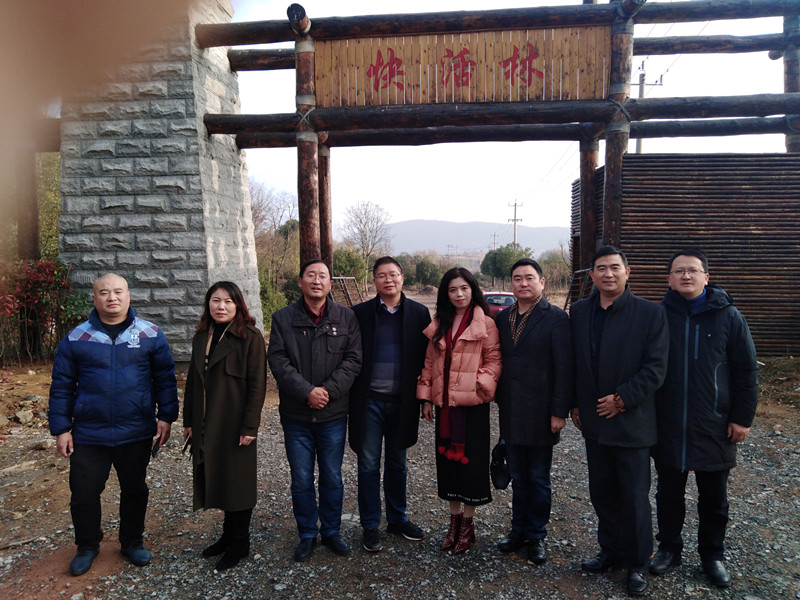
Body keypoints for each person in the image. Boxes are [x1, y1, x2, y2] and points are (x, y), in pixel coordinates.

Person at [48, 273, 178, 576]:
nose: (112, 298)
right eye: (104, 292)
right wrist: (61, 429)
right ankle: (87, 546)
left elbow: (165, 379)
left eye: (118, 291)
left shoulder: (150, 334)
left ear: (128, 295)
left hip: (135, 430)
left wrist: (166, 416)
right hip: (88, 434)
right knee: (83, 493)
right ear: (94, 298)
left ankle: (132, 542)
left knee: (135, 489)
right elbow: (62, 386)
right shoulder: (76, 337)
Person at [650, 249, 759, 588]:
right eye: (679, 271)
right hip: (668, 423)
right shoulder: (658, 316)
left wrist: (742, 418)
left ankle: (712, 555)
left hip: (714, 423)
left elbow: (746, 371)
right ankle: (669, 548)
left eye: (693, 271)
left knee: (714, 498)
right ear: (668, 279)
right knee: (668, 494)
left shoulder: (729, 317)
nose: (686, 276)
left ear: (706, 277)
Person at [569, 247, 668, 597]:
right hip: (594, 420)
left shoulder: (650, 313)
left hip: (632, 423)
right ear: (591, 275)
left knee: (634, 497)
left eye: (615, 267)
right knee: (602, 491)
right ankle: (610, 550)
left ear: (628, 272)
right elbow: (576, 362)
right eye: (601, 268)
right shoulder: (581, 311)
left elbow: (656, 368)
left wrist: (622, 398)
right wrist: (574, 403)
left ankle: (637, 563)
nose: (608, 274)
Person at [267, 259, 362, 562]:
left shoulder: (346, 317)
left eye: (322, 276)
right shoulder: (283, 318)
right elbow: (278, 361)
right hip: (296, 415)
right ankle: (307, 533)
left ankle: (331, 531)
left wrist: (327, 392)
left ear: (330, 284)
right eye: (311, 275)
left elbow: (353, 360)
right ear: (300, 281)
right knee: (301, 478)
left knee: (332, 476)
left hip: (333, 414)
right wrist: (306, 391)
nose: (317, 280)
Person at [183, 281, 267, 571]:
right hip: (206, 422)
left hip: (234, 424)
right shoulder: (201, 337)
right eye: (215, 301)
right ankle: (227, 536)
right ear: (208, 304)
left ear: (238, 305)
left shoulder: (250, 337)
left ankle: (240, 542)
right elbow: (192, 382)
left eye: (228, 302)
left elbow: (258, 386)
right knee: (217, 478)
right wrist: (188, 421)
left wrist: (250, 427)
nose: (221, 307)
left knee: (238, 483)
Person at [350, 257, 431, 552]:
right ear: (374, 280)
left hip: (403, 402)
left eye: (393, 274)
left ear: (402, 277)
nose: (388, 280)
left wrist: (425, 397)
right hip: (369, 401)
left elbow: (428, 359)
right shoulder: (359, 313)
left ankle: (397, 518)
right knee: (368, 465)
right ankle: (370, 525)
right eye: (382, 275)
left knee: (398, 464)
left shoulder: (419, 313)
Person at [494, 258, 573, 564]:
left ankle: (537, 535)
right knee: (518, 475)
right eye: (517, 278)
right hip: (512, 410)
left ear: (542, 282)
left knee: (538, 477)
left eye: (529, 278)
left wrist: (559, 411)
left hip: (541, 412)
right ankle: (518, 531)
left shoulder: (556, 318)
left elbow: (564, 369)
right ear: (511, 284)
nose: (523, 283)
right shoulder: (504, 317)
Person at [418, 267, 501, 555]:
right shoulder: (440, 322)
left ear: (473, 290)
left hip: (472, 407)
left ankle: (468, 524)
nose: (459, 294)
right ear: (446, 294)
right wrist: (426, 398)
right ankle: (453, 523)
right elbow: (429, 362)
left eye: (464, 288)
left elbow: (494, 360)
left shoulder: (485, 323)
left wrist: (478, 385)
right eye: (452, 289)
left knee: (471, 467)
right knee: (448, 466)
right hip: (444, 406)